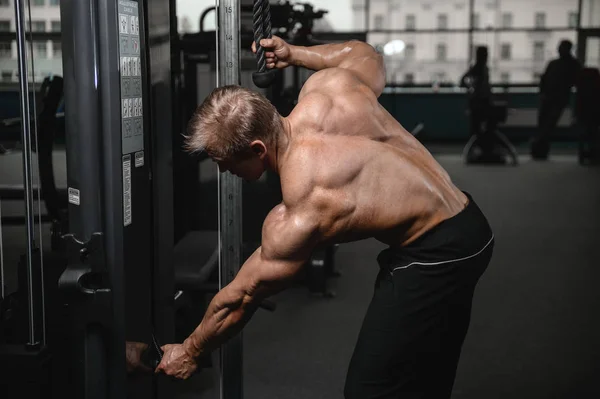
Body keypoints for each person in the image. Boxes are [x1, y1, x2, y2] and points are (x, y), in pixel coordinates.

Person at [156, 36, 495, 398]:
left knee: (370, 389)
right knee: (424, 373)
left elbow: (242, 296)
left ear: (257, 149)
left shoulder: (308, 198)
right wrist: (296, 54)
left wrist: (190, 350)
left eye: (225, 163)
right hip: (468, 218)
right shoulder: (326, 89)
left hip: (438, 254)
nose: (223, 172)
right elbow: (366, 55)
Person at [531, 40, 581, 160]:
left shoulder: (560, 64)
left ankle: (540, 149)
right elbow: (544, 79)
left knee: (547, 125)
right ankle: (541, 150)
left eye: (560, 48)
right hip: (553, 98)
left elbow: (545, 78)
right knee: (546, 125)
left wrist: (543, 93)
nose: (558, 50)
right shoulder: (570, 64)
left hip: (555, 99)